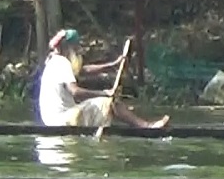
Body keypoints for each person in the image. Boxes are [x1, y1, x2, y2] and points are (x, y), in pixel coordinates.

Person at [37, 29, 170, 129]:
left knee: (109, 104)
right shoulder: (62, 63)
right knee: (108, 102)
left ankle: (135, 122)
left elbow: (83, 70)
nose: (78, 50)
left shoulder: (54, 61)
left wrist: (112, 65)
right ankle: (146, 127)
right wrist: (105, 93)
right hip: (61, 121)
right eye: (75, 47)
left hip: (52, 121)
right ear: (67, 47)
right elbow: (75, 91)